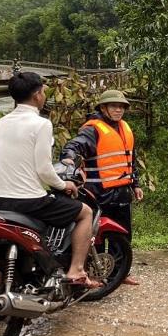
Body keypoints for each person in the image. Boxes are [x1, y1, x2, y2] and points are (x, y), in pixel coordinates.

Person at [0, 72, 101, 288]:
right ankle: (76, 270)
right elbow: (44, 170)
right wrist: (64, 184)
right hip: (28, 200)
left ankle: (2, 287)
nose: (44, 96)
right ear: (37, 95)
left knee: (1, 246)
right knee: (85, 212)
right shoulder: (41, 124)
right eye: (44, 92)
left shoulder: (2, 122)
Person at [60, 89, 142, 285]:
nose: (118, 110)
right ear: (103, 108)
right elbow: (74, 146)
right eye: (114, 106)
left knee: (122, 234)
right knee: (94, 235)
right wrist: (70, 158)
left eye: (121, 107)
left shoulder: (124, 128)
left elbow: (130, 160)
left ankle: (119, 273)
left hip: (121, 193)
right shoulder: (93, 129)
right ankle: (90, 271)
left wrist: (135, 184)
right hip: (98, 192)